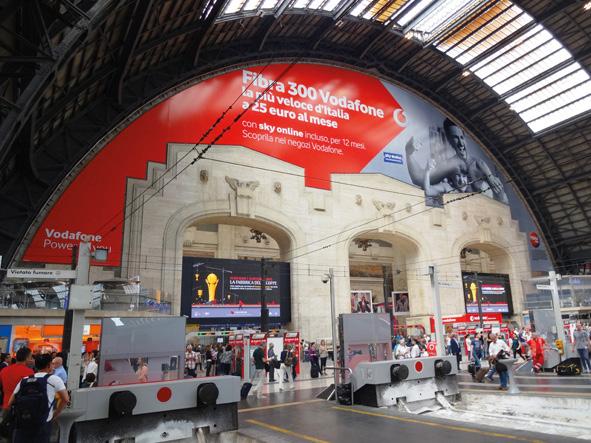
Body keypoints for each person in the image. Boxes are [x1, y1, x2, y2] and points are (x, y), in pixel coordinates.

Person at [8, 353, 69, 443]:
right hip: (43, 423)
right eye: (52, 363)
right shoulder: (54, 379)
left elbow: (10, 402)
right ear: (49, 365)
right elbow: (66, 399)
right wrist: (55, 414)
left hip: (23, 423)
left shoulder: (25, 379)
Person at [0, 347, 34, 412]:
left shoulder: (4, 370)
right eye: (30, 357)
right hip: (21, 408)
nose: (31, 360)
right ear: (27, 358)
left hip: (6, 405)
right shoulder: (29, 372)